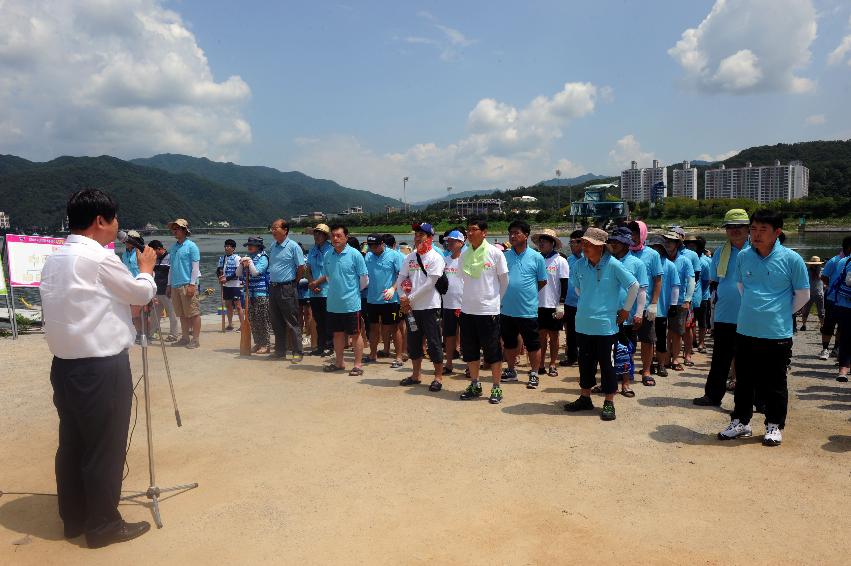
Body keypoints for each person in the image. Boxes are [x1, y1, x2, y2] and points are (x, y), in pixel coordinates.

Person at [40, 188, 155, 548]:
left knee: (73, 444)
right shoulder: (99, 258)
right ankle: (103, 525)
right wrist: (147, 271)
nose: (117, 226)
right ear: (100, 221)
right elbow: (139, 295)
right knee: (105, 447)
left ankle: (73, 518)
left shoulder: (55, 258)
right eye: (114, 219)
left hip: (65, 365)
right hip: (100, 366)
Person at [717, 210, 809, 446]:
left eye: (762, 230)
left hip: (776, 332)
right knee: (744, 380)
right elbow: (741, 286)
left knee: (775, 382)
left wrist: (779, 313)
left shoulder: (791, 259)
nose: (756, 235)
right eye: (754, 229)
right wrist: (755, 310)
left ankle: (774, 425)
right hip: (746, 328)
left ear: (777, 232)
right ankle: (741, 422)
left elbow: (803, 295)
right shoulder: (744, 256)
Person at [563, 227, 639, 421]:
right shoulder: (579, 265)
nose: (584, 247)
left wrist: (625, 310)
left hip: (606, 326)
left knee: (607, 365)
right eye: (583, 243)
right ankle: (585, 397)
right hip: (583, 323)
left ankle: (609, 401)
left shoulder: (613, 264)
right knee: (585, 364)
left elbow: (634, 286)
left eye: (589, 244)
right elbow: (579, 289)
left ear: (601, 247)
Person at [693, 209, 750, 406]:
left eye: (739, 227)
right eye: (730, 227)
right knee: (720, 358)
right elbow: (714, 282)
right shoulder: (720, 252)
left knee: (750, 362)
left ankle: (757, 400)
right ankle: (712, 395)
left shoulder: (757, 250)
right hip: (725, 314)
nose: (734, 231)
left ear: (748, 228)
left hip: (751, 316)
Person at [458, 217, 510, 404]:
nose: (469, 233)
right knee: (470, 351)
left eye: (473, 229)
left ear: (484, 232)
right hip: (467, 310)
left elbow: (504, 282)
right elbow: (462, 280)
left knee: (492, 351)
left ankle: (496, 387)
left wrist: (494, 302)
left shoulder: (495, 253)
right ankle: (475, 383)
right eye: (468, 230)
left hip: (488, 311)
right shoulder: (464, 254)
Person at [392, 223, 446, 391]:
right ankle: (416, 375)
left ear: (430, 238)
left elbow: (430, 284)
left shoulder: (436, 257)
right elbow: (401, 277)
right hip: (411, 308)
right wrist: (402, 296)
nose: (417, 237)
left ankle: (438, 377)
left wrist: (410, 298)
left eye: (421, 234)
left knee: (434, 341)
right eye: (416, 234)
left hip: (430, 306)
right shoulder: (410, 257)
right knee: (414, 342)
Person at [500, 220, 548, 389]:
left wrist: (527, 293)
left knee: (533, 344)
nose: (512, 236)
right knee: (510, 342)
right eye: (510, 233)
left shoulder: (537, 257)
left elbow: (542, 281)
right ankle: (511, 370)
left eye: (516, 233)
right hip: (506, 309)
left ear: (526, 236)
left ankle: (534, 373)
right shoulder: (504, 256)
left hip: (527, 309)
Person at [322, 224, 369, 376]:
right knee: (337, 334)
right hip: (333, 303)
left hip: (351, 303)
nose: (335, 238)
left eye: (338, 235)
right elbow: (328, 278)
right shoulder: (327, 255)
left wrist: (352, 291)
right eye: (333, 235)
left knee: (355, 334)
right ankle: (339, 362)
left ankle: (357, 365)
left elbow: (364, 280)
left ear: (346, 237)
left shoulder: (355, 254)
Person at [607, 226, 648, 394]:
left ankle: (625, 382)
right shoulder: (607, 261)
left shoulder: (637, 263)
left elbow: (642, 290)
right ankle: (608, 381)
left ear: (626, 244)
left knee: (625, 349)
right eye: (612, 241)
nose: (614, 244)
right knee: (607, 350)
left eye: (618, 242)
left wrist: (639, 313)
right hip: (608, 314)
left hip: (628, 316)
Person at [628, 221, 663, 385]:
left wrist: (654, 304)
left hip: (645, 304)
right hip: (625, 307)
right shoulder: (623, 252)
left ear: (643, 234)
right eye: (631, 233)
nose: (633, 236)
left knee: (647, 340)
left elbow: (657, 280)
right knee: (625, 341)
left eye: (636, 233)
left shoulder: (652, 254)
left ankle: (647, 370)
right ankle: (626, 370)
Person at [267, 219, 306, 362]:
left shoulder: (293, 246)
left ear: (285, 230)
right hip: (273, 287)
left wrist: (294, 283)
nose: (273, 230)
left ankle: (298, 352)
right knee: (276, 321)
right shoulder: (273, 246)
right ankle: (279, 351)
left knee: (292, 321)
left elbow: (301, 267)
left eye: (275, 228)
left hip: (287, 287)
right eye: (272, 228)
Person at [532, 229, 569, 380]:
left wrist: (561, 304)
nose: (542, 243)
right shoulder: (536, 259)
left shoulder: (560, 261)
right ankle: (540, 364)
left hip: (554, 304)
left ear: (552, 243)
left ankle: (552, 363)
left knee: (554, 336)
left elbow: (564, 284)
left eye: (545, 240)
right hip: (537, 304)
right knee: (540, 336)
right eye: (540, 240)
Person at [363, 233, 403, 366]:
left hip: (390, 300)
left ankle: (398, 357)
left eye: (375, 246)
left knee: (394, 328)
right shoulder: (368, 256)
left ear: (382, 244)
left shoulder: (394, 255)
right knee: (373, 328)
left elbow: (402, 276)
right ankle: (372, 354)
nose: (373, 249)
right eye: (370, 246)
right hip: (372, 299)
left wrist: (393, 288)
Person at [647, 234, 680, 378]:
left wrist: (673, 305)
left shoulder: (670, 265)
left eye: (658, 247)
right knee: (648, 340)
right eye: (652, 246)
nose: (655, 249)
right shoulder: (646, 262)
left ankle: (661, 364)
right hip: (647, 308)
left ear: (662, 248)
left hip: (661, 308)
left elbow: (675, 286)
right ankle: (648, 365)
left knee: (661, 338)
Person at [166, 218, 201, 349]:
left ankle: (195, 339)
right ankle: (185, 337)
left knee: (193, 312)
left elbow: (195, 268)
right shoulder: (173, 247)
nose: (174, 231)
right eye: (173, 229)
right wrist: (169, 285)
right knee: (181, 313)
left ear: (184, 230)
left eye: (177, 228)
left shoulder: (191, 246)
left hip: (187, 283)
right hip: (175, 285)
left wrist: (192, 284)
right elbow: (171, 268)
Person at [664, 231, 695, 372]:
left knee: (677, 332)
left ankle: (675, 358)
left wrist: (688, 300)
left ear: (677, 244)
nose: (668, 243)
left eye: (672, 241)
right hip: (661, 301)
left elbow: (691, 281)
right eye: (666, 240)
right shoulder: (660, 259)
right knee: (662, 332)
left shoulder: (685, 260)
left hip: (679, 301)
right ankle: (664, 357)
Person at [235, 237, 272, 354]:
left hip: (261, 292)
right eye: (248, 245)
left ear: (259, 247)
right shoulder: (248, 257)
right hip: (249, 293)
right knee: (252, 319)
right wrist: (241, 264)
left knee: (262, 319)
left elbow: (256, 273)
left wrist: (249, 262)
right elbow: (238, 274)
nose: (249, 247)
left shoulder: (264, 257)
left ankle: (266, 344)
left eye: (252, 245)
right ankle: (258, 343)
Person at [819, 237, 851, 359]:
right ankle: (825, 349)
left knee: (842, 327)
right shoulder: (835, 261)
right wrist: (832, 286)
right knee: (829, 324)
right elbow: (824, 276)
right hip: (832, 299)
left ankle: (837, 349)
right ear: (848, 247)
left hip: (845, 300)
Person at [675, 230, 702, 366]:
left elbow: (695, 276)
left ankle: (687, 354)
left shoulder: (691, 255)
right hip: (671, 298)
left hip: (686, 297)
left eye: (677, 235)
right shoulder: (668, 254)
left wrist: (688, 296)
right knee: (673, 328)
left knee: (688, 327)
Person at [441, 230, 466, 375]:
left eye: (452, 241)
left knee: (468, 336)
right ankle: (449, 364)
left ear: (461, 243)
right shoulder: (444, 260)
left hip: (465, 304)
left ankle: (469, 366)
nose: (449, 243)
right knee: (449, 336)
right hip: (448, 304)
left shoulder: (466, 260)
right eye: (448, 241)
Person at [307, 223, 333, 357]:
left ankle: (330, 346)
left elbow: (330, 271)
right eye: (315, 233)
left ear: (325, 236)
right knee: (318, 320)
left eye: (320, 233)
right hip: (314, 291)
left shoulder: (331, 249)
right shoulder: (312, 250)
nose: (317, 236)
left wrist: (316, 282)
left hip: (327, 291)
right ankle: (320, 346)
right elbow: (308, 268)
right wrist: (312, 282)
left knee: (329, 320)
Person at [560, 230, 584, 367]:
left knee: (584, 330)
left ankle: (585, 356)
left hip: (584, 302)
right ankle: (572, 356)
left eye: (575, 242)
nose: (572, 245)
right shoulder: (568, 260)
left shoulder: (588, 259)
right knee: (570, 331)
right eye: (571, 242)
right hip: (570, 301)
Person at [148, 240, 178, 342]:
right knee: (154, 314)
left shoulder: (170, 258)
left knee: (172, 313)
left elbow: (172, 274)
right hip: (156, 290)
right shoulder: (154, 258)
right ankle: (152, 333)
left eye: (154, 251)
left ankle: (173, 334)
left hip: (167, 290)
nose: (153, 253)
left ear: (159, 249)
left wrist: (170, 287)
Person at [121, 229, 144, 341]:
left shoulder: (140, 252)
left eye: (130, 240)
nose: (127, 242)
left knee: (144, 312)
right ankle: (139, 332)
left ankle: (148, 333)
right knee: (134, 314)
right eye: (126, 240)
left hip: (141, 285)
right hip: (130, 287)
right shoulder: (124, 254)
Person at [217, 239, 244, 331]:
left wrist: (226, 279)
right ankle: (230, 324)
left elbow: (238, 272)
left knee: (238, 305)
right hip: (226, 286)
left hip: (235, 285)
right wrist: (220, 278)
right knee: (228, 305)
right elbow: (218, 270)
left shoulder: (237, 258)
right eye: (225, 246)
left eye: (229, 246)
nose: (226, 248)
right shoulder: (222, 258)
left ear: (233, 248)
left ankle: (242, 325)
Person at [798, 256, 825, 332]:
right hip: (808, 294)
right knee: (805, 311)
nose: (815, 265)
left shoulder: (822, 271)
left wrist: (825, 287)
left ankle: (822, 326)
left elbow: (826, 280)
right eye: (814, 264)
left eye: (816, 264)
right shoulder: (806, 271)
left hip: (819, 294)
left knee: (821, 311)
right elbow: (802, 281)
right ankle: (804, 325)